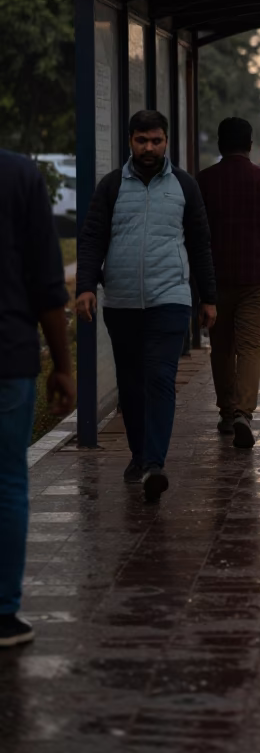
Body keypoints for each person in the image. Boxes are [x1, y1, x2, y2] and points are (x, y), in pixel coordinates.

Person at [75, 109, 216, 503]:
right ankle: (139, 457)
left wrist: (210, 298)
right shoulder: (112, 186)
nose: (149, 148)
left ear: (166, 141)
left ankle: (155, 463)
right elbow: (91, 239)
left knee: (159, 379)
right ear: (131, 142)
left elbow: (201, 244)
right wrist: (86, 286)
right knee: (132, 385)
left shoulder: (185, 186)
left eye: (156, 140)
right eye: (142, 141)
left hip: (170, 298)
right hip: (121, 303)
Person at [0, 152, 76, 648]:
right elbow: (49, 284)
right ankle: (3, 614)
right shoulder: (19, 175)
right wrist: (64, 366)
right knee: (8, 484)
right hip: (7, 356)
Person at [198, 118, 260, 448]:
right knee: (251, 346)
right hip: (258, 277)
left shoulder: (205, 181)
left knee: (221, 346)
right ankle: (243, 413)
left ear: (220, 145)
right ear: (250, 145)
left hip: (216, 278)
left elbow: (196, 234)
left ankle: (226, 412)